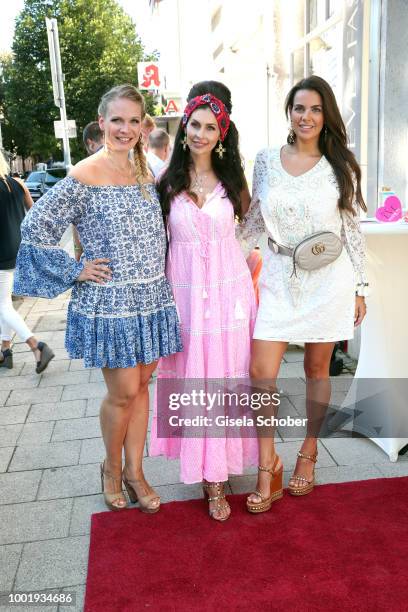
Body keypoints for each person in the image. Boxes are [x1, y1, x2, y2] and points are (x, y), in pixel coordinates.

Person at [13, 84, 182, 512]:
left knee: (143, 387)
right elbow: (34, 229)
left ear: (144, 126)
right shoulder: (83, 175)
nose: (125, 129)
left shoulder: (148, 171)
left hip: (151, 297)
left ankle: (136, 471)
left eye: (133, 121)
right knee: (123, 391)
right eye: (117, 120)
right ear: (102, 122)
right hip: (109, 303)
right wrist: (75, 268)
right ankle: (110, 468)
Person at [238, 75, 368, 512]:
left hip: (329, 279)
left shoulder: (341, 165)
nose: (306, 116)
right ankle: (267, 463)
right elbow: (254, 218)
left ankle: (308, 453)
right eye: (299, 108)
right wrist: (228, 261)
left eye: (315, 109)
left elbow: (351, 229)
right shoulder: (266, 160)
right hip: (277, 275)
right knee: (261, 372)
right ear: (288, 113)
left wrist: (361, 288)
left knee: (317, 369)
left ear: (325, 114)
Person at [150, 81, 258, 522]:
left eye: (209, 127)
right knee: (194, 378)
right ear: (184, 128)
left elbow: (253, 230)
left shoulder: (233, 180)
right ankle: (203, 466)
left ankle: (219, 477)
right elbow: (155, 242)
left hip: (230, 295)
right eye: (193, 125)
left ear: (221, 134)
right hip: (185, 295)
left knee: (226, 378)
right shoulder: (164, 180)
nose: (199, 133)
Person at [0, 150, 54, 372]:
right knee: (4, 304)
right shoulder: (17, 184)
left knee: (2, 306)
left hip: (1, 255)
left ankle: (36, 346)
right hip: (18, 251)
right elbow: (34, 213)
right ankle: (5, 350)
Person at [73, 122, 105, 262]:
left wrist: (77, 252)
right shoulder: (136, 166)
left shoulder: (83, 172)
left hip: (98, 265)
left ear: (90, 144)